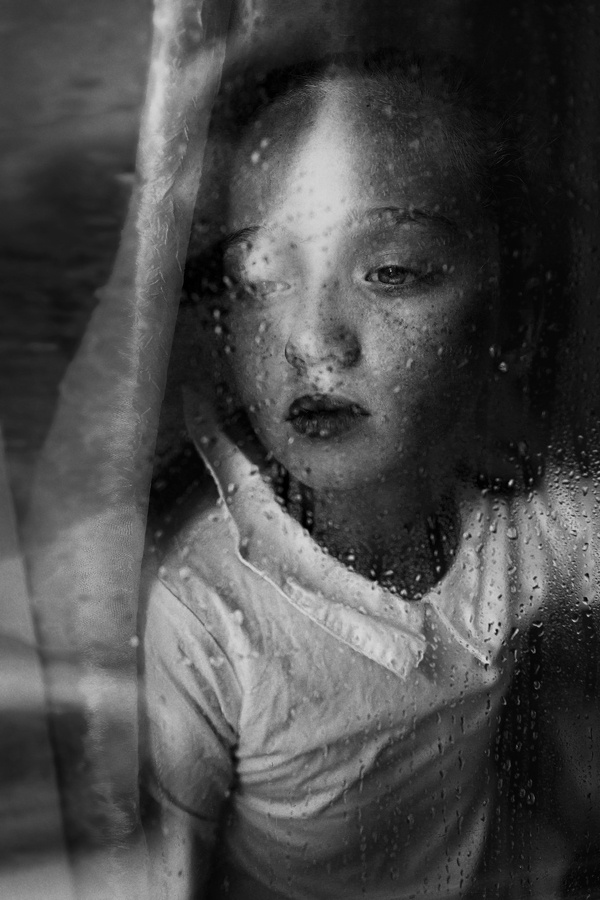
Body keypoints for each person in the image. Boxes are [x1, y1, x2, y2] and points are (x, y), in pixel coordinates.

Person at [141, 51, 599, 899]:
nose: (312, 341)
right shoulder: (207, 613)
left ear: (509, 322)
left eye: (390, 270)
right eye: (258, 279)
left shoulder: (520, 523)